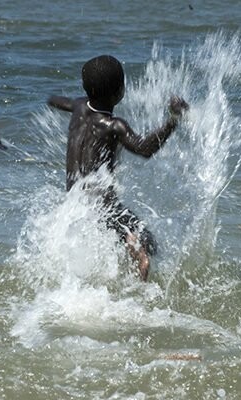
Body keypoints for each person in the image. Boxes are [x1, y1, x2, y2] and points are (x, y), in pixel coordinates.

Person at [47, 55, 188, 281]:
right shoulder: (115, 125)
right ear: (120, 92)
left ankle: (126, 249)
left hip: (75, 201)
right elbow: (144, 148)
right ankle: (138, 262)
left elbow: (56, 101)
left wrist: (51, 99)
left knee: (109, 235)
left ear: (85, 88)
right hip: (103, 203)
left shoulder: (78, 106)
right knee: (150, 244)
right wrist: (172, 121)